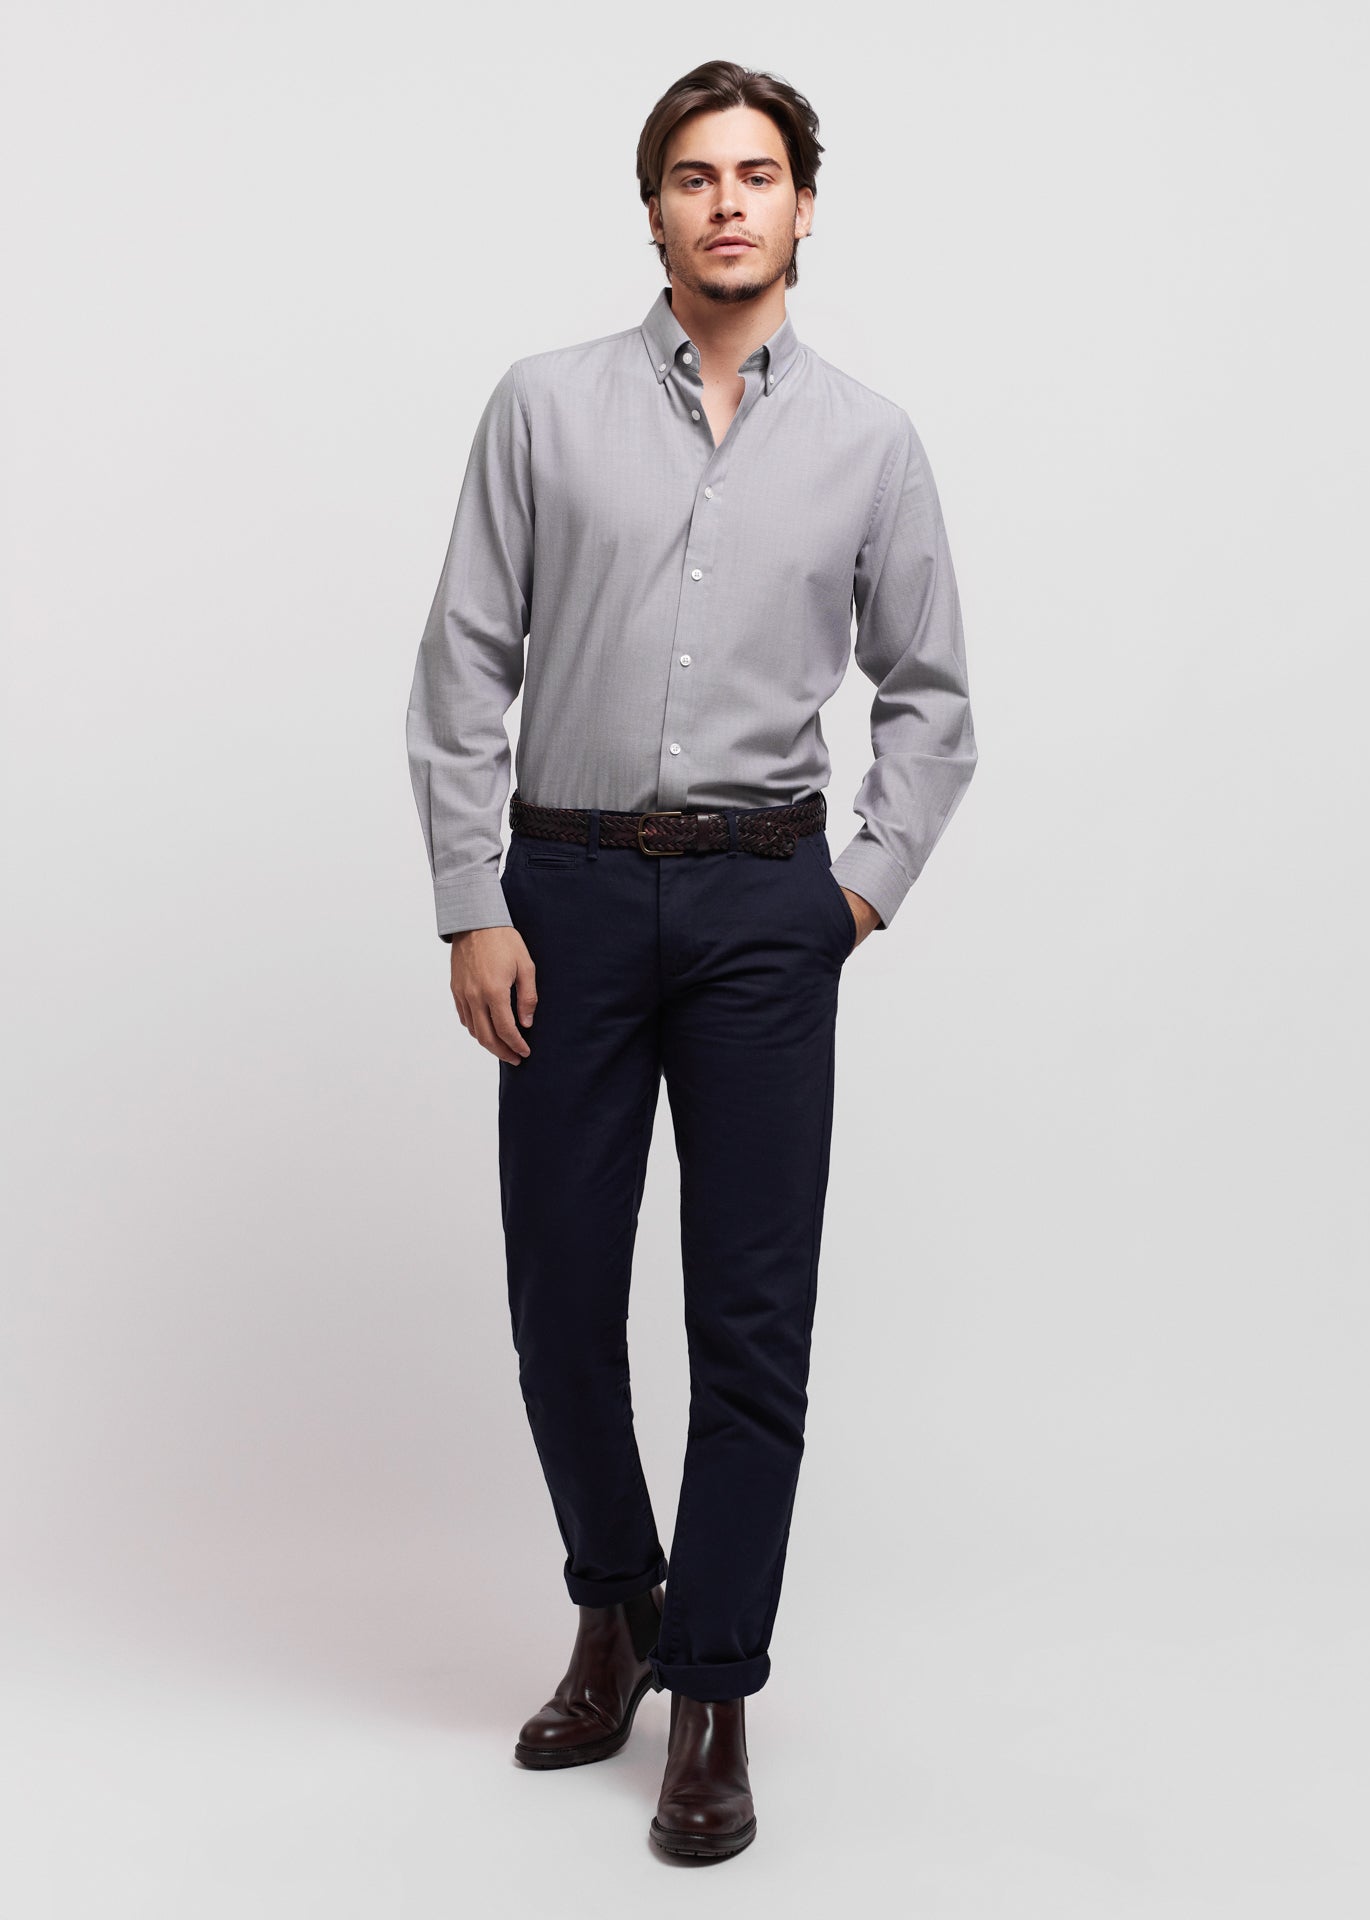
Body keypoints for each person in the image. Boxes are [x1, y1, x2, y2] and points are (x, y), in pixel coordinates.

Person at [405, 58, 978, 1861]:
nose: (728, 201)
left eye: (758, 173)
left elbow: (933, 702)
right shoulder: (542, 407)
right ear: (651, 207)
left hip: (761, 911)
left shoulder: (871, 442)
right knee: (561, 1298)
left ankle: (713, 1694)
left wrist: (854, 895)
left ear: (805, 205)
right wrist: (472, 898)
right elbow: (462, 666)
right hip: (565, 895)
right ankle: (618, 1609)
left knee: (749, 1319)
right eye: (694, 174)